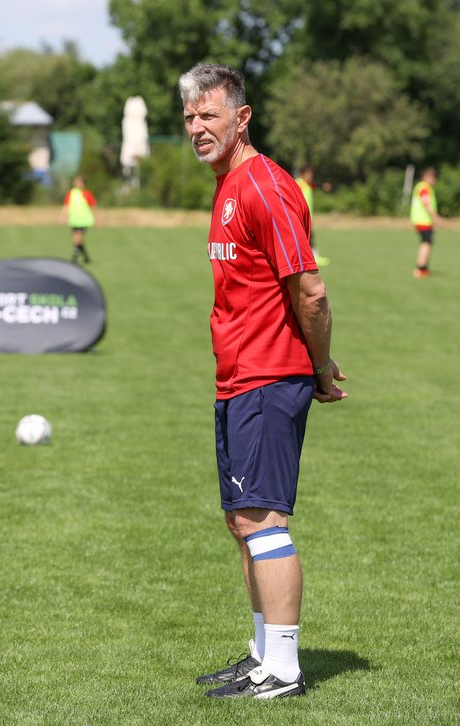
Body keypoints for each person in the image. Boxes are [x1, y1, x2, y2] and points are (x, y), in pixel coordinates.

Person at [178, 63, 347, 700]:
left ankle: (284, 669)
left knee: (263, 518)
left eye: (209, 116)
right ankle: (260, 655)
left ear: (241, 118)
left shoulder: (265, 187)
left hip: (269, 376)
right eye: (190, 117)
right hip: (237, 378)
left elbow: (311, 289)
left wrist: (320, 365)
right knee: (242, 521)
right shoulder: (226, 184)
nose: (197, 127)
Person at [295, 165, 330, 267]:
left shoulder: (307, 184)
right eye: (309, 174)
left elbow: (314, 186)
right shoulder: (299, 184)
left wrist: (323, 186)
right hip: (301, 217)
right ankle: (312, 258)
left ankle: (313, 258)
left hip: (308, 216)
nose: (311, 176)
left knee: (310, 237)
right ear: (303, 174)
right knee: (307, 238)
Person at [410, 166, 442, 278]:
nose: (435, 180)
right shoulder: (424, 188)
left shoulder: (421, 187)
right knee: (426, 243)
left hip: (420, 220)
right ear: (427, 177)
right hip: (423, 221)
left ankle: (423, 268)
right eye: (433, 178)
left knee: (427, 242)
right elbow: (426, 203)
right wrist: (436, 217)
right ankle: (420, 268)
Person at [60, 175, 96, 264]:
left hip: (84, 220)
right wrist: (62, 216)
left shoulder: (86, 194)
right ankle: (86, 258)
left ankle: (74, 258)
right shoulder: (70, 193)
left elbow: (93, 206)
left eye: (80, 182)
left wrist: (99, 218)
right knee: (77, 239)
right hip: (74, 220)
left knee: (77, 238)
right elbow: (66, 206)